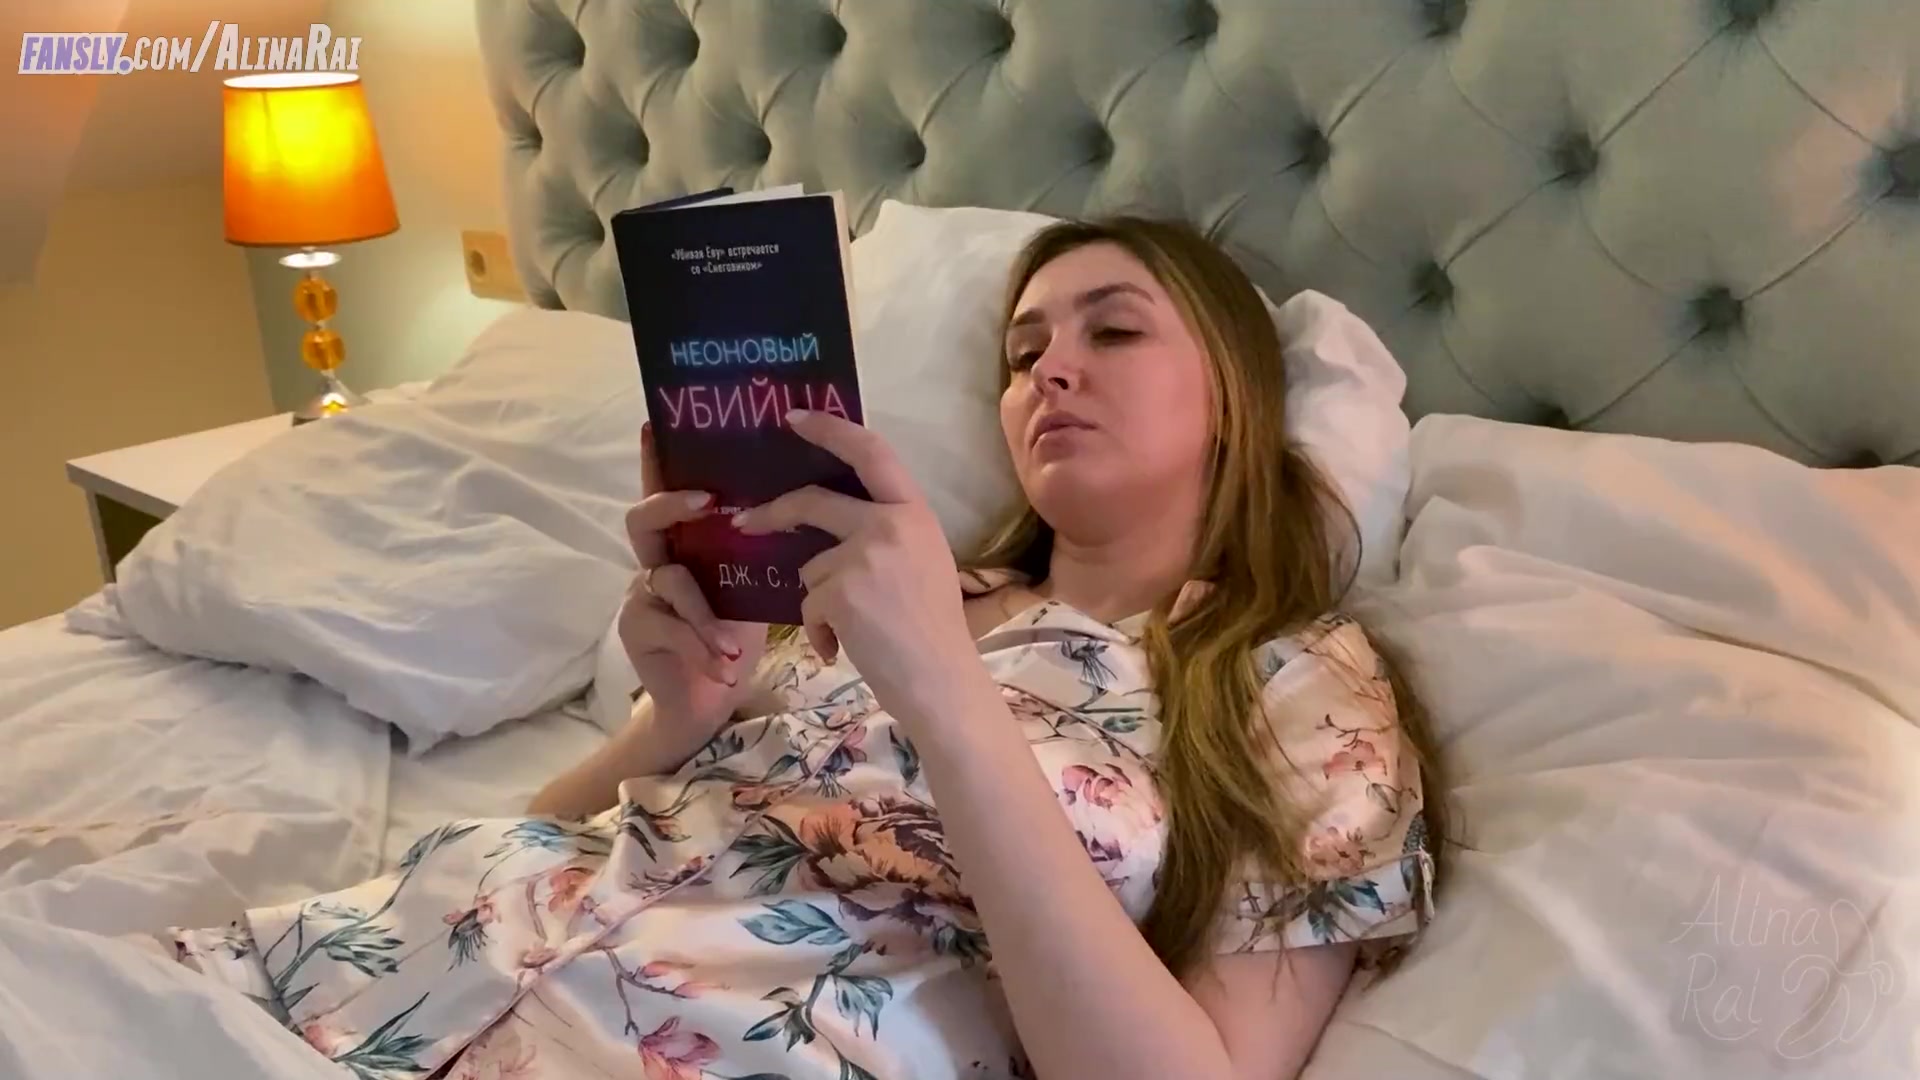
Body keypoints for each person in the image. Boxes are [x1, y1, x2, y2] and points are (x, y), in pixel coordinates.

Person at [173, 216, 1445, 1080]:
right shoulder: (873, 591)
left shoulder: (1299, 683)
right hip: (363, 973)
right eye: (1023, 352)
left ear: (1234, 391)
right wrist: (672, 724)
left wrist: (945, 693)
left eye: (1112, 331)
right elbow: (568, 841)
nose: (1051, 371)